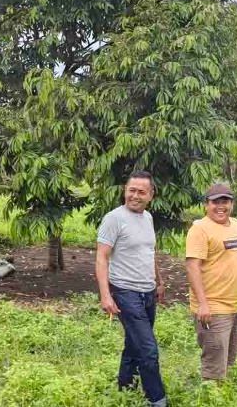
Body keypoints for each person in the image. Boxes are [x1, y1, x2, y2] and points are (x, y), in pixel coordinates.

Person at [95, 171, 167, 407]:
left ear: (151, 195)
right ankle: (157, 399)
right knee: (149, 350)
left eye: (141, 192)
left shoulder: (148, 218)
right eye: (131, 190)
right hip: (125, 292)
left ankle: (124, 388)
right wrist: (106, 295)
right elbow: (102, 258)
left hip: (147, 292)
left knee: (134, 344)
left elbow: (149, 251)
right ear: (125, 191)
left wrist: (159, 281)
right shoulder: (114, 218)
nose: (135, 195)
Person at [185, 183, 237, 381]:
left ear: (232, 204)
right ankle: (210, 397)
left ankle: (222, 394)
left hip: (234, 306)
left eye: (225, 201)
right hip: (213, 309)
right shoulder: (200, 229)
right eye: (215, 202)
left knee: (228, 359)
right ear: (206, 204)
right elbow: (192, 267)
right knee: (214, 366)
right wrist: (203, 304)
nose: (220, 206)